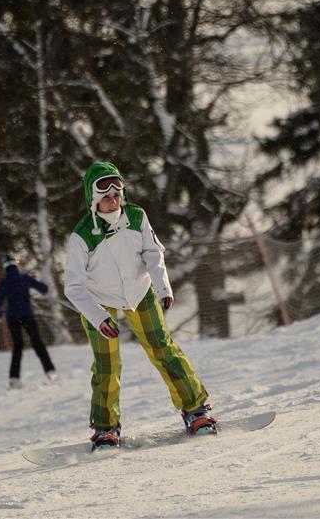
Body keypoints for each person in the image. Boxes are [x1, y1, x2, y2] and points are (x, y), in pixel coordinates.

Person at [63, 161, 216, 450]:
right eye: (106, 196)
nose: (113, 200)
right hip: (100, 301)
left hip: (139, 292)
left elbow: (152, 252)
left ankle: (196, 411)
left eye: (117, 194)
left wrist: (162, 286)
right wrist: (98, 318)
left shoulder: (136, 217)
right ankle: (106, 429)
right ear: (94, 200)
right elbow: (73, 286)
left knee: (162, 347)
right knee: (107, 365)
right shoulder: (82, 235)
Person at [0, 256, 58, 389]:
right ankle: (50, 371)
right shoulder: (25, 278)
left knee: (18, 346)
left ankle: (14, 378)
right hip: (27, 315)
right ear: (16, 266)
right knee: (37, 342)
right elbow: (43, 288)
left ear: (5, 268)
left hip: (13, 318)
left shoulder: (5, 282)